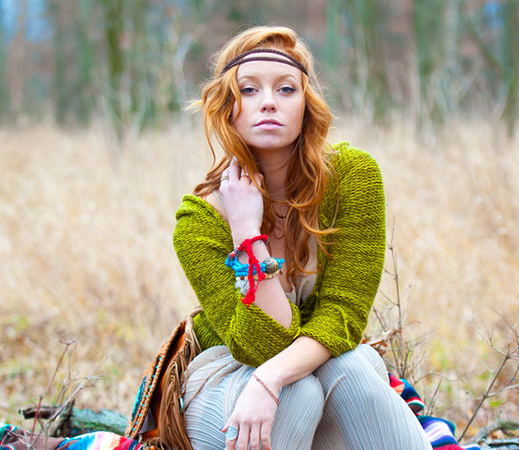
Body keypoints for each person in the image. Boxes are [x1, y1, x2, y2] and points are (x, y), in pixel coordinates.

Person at [173, 25, 432, 450]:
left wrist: (272, 377)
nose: (269, 102)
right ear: (227, 108)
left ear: (306, 105)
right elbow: (260, 345)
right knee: (300, 390)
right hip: (229, 382)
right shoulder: (199, 219)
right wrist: (245, 230)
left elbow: (342, 317)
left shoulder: (354, 177)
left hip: (313, 367)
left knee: (346, 369)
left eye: (286, 89)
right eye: (249, 90)